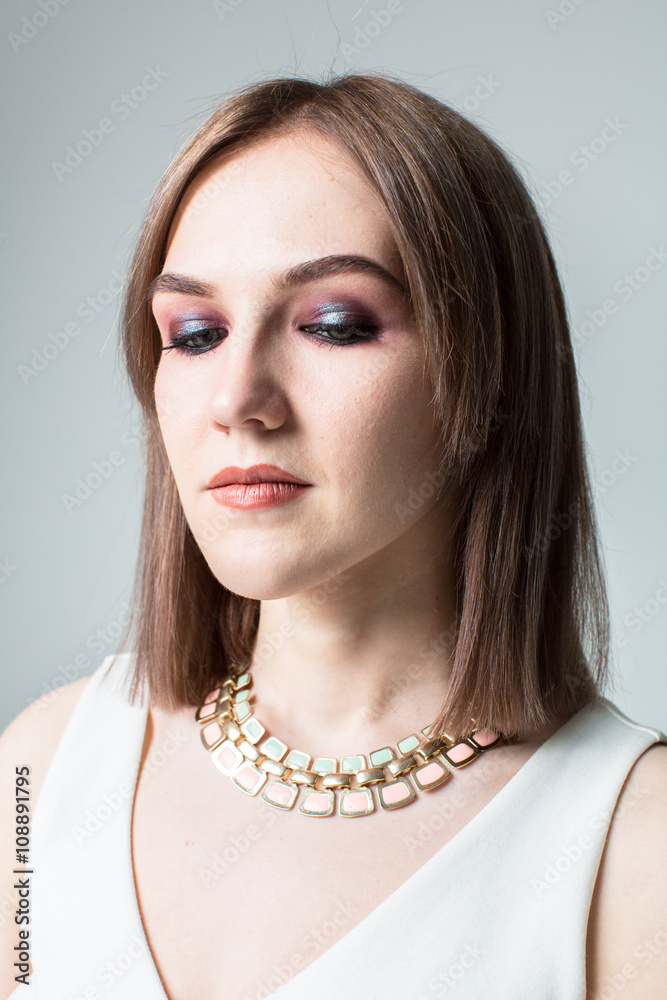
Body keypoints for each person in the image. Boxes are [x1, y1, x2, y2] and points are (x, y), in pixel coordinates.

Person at [1, 70, 665, 1000]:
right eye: (194, 333)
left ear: (490, 374)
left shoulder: (635, 846)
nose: (238, 402)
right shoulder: (43, 766)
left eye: (332, 325)